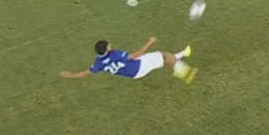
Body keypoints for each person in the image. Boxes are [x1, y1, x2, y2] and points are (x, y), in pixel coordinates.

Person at [59, 37, 196, 84]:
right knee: (164, 56)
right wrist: (149, 42)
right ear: (106, 50)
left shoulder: (98, 63)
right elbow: (136, 55)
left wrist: (70, 75)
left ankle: (184, 53)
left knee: (162, 59)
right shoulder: (115, 54)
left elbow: (85, 73)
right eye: (109, 45)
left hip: (133, 73)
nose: (110, 46)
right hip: (138, 65)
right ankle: (185, 72)